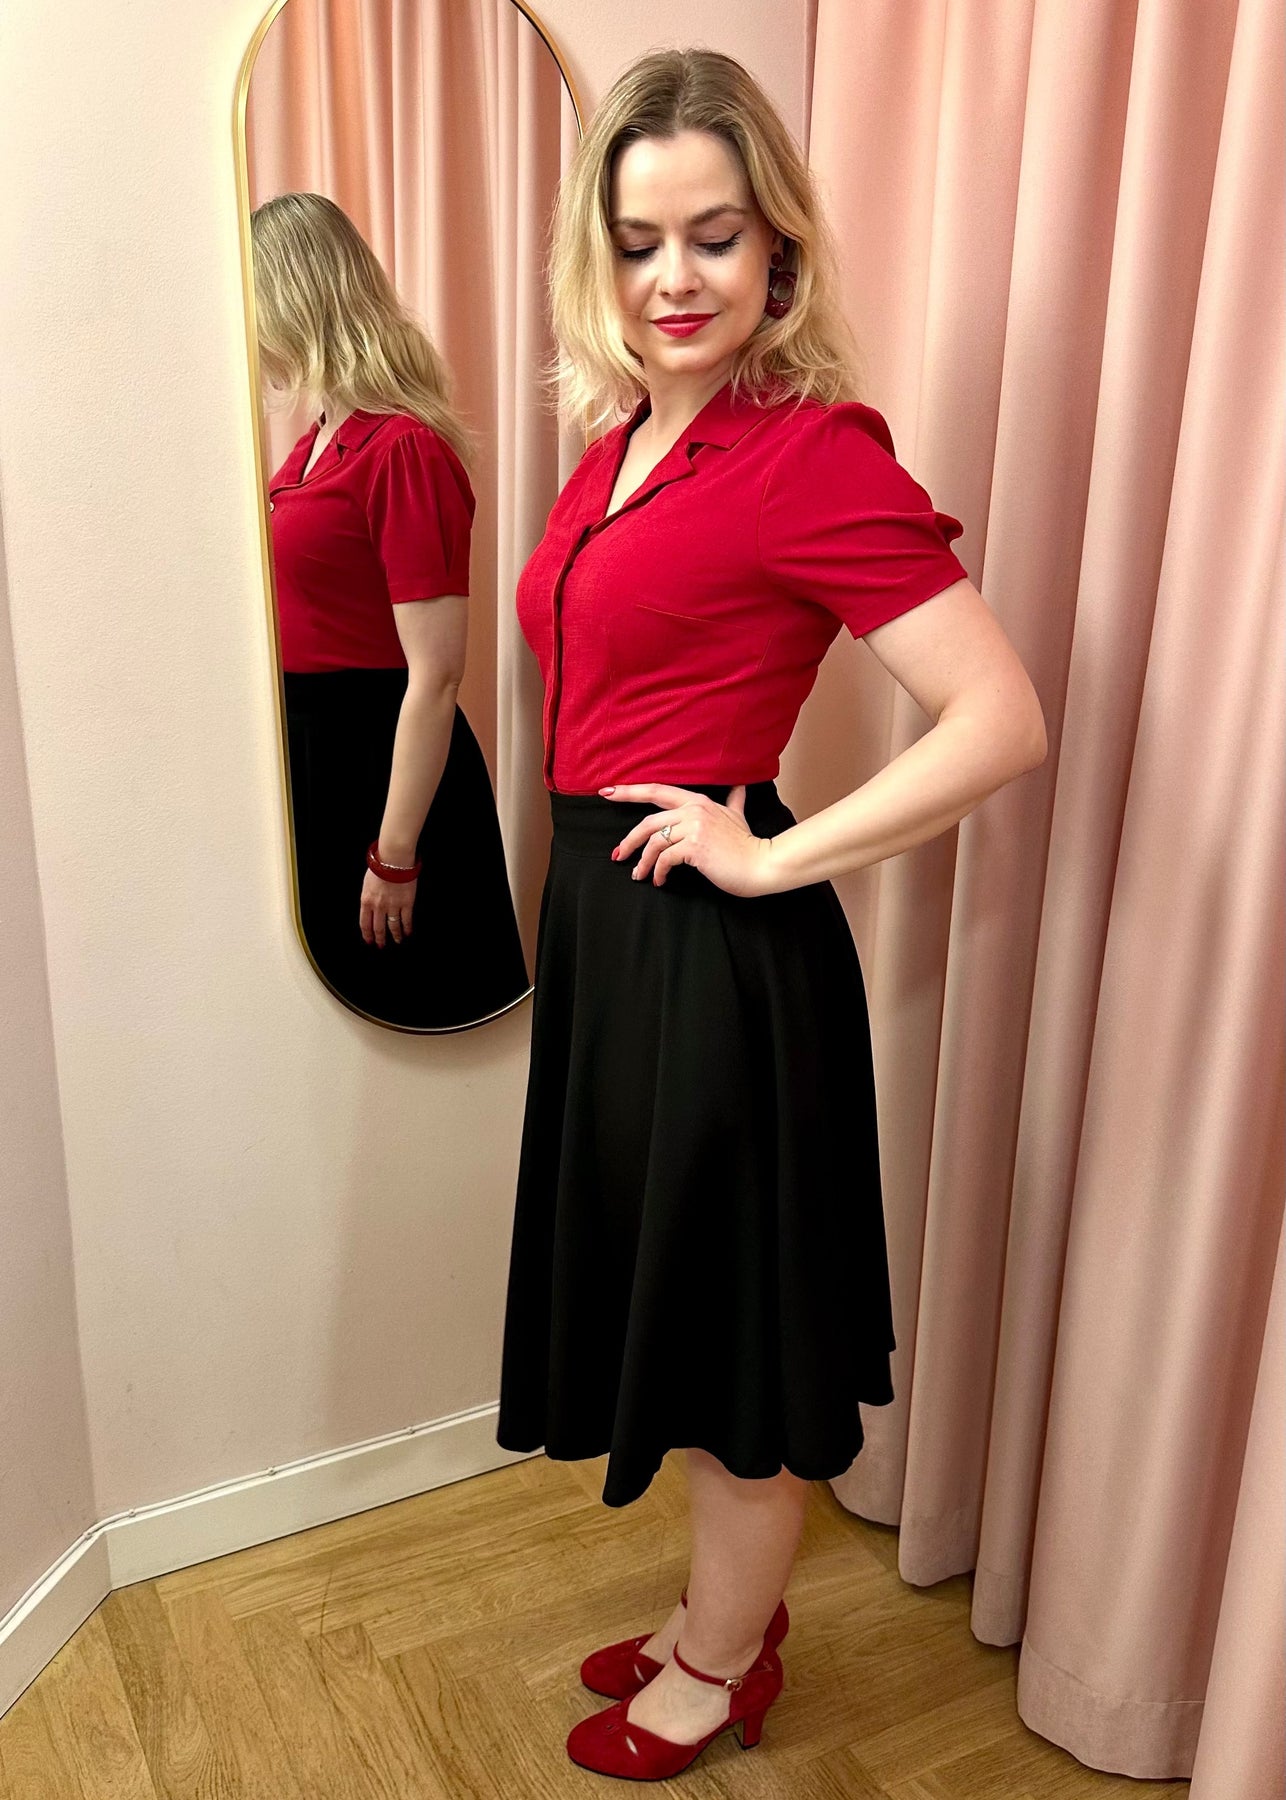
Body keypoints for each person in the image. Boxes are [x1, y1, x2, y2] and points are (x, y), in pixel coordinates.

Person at [493, 49, 1047, 1779]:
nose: (675, 278)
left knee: (731, 1336)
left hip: (715, 957)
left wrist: (768, 857)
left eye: (715, 236)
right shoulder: (618, 449)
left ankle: (725, 1664)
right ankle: (710, 1617)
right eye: (639, 241)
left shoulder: (807, 457)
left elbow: (1000, 717)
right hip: (612, 942)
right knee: (672, 1306)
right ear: (596, 254)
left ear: (778, 248)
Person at [250, 192, 528, 1030]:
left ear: (291, 298)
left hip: (379, 760)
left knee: (411, 1008)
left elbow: (436, 676)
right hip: (315, 758)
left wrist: (395, 851)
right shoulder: (312, 444)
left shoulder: (402, 448)